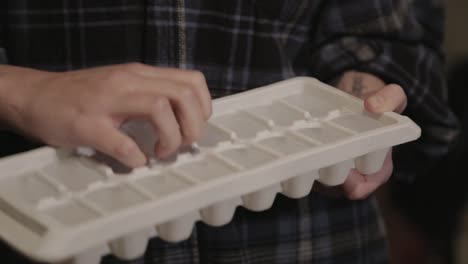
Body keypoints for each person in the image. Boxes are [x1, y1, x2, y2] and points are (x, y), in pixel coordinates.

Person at [0, 1, 458, 263]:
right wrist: (21, 91)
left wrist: (363, 103)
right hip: (45, 225)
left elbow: (391, 35)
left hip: (307, 242)